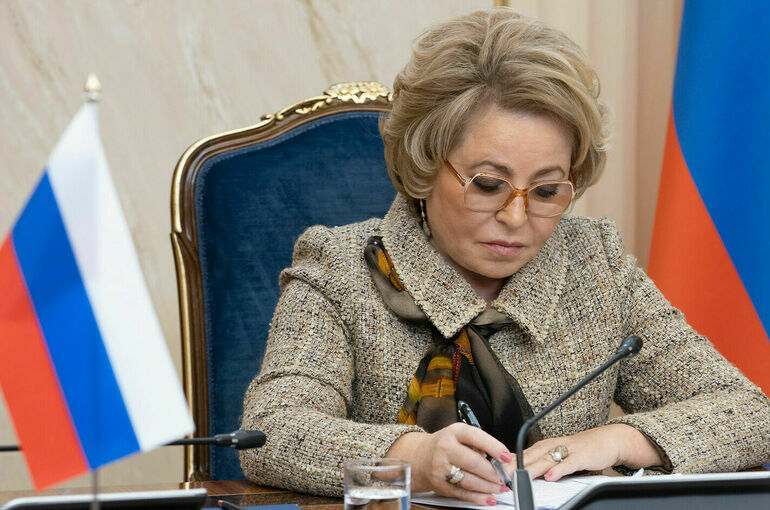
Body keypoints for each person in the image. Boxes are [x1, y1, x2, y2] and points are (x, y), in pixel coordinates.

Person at [239, 8, 770, 505]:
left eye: (546, 191)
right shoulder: (340, 266)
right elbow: (271, 431)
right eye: (489, 185)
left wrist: (615, 440)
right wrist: (414, 457)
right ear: (424, 165)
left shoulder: (595, 265)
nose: (516, 218)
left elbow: (750, 415)